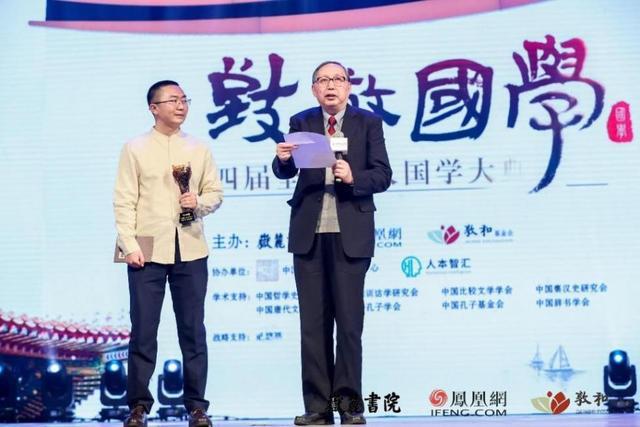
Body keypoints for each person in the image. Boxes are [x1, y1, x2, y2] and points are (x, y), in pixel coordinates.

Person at [272, 62, 392, 425]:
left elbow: (383, 175)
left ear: (348, 87)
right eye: (323, 80)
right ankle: (317, 408)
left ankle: (350, 406)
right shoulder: (302, 121)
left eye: (338, 79)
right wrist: (281, 160)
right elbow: (286, 171)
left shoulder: (367, 123)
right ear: (314, 89)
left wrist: (354, 177)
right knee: (313, 325)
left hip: (350, 233)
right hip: (309, 233)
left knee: (349, 325)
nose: (331, 86)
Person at [113, 80, 223, 427]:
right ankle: (138, 406)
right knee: (143, 330)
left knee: (193, 330)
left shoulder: (198, 148)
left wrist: (198, 202)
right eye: (173, 100)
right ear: (154, 108)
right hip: (145, 245)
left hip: (191, 246)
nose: (181, 105)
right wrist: (129, 245)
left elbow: (215, 193)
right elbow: (124, 200)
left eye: (184, 99)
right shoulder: (135, 148)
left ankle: (197, 407)